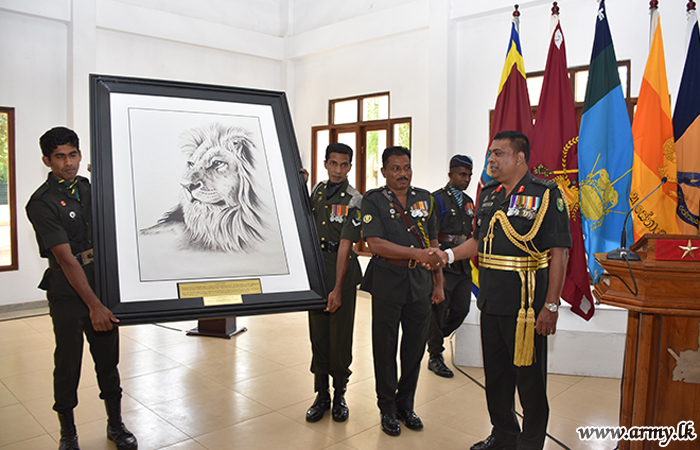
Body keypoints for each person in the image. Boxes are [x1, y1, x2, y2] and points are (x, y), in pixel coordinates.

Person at [435, 131, 570, 450]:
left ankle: (531, 442)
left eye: (499, 153)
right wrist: (447, 255)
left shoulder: (546, 193)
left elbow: (560, 252)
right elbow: (478, 242)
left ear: (520, 158)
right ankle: (504, 434)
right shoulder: (489, 194)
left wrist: (551, 306)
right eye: (490, 154)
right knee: (496, 376)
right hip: (492, 300)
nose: (491, 160)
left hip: (526, 305)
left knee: (529, 380)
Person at [26, 127, 137, 450]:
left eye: (73, 154)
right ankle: (68, 434)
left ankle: (116, 425)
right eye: (59, 157)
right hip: (68, 293)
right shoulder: (41, 203)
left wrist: (109, 178)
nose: (68, 163)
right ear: (47, 161)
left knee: (108, 362)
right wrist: (95, 306)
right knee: (67, 364)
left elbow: (121, 215)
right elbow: (65, 259)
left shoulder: (89, 187)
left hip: (99, 283)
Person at [360, 146, 445, 437]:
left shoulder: (425, 199)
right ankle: (387, 408)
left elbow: (433, 243)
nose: (402, 173)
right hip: (387, 281)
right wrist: (417, 254)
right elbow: (375, 243)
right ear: (384, 171)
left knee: (414, 349)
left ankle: (405, 406)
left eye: (406, 167)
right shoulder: (373, 200)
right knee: (385, 349)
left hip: (419, 283)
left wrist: (439, 282)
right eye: (395, 168)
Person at [305, 143, 363, 423]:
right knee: (318, 333)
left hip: (342, 271)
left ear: (350, 166)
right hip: (317, 272)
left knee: (340, 334)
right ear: (326, 163)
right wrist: (301, 186)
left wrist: (338, 288)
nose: (338, 169)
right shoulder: (317, 191)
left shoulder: (355, 199)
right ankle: (321, 394)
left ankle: (340, 393)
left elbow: (345, 245)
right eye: (333, 163)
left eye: (344, 164)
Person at [427, 154, 475, 378]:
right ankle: (435, 355)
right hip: (444, 264)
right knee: (439, 311)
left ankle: (431, 336)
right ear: (450, 174)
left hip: (463, 263)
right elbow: (431, 236)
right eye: (462, 174)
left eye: (469, 175)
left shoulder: (469, 202)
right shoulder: (436, 199)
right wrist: (437, 273)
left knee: (461, 309)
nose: (466, 179)